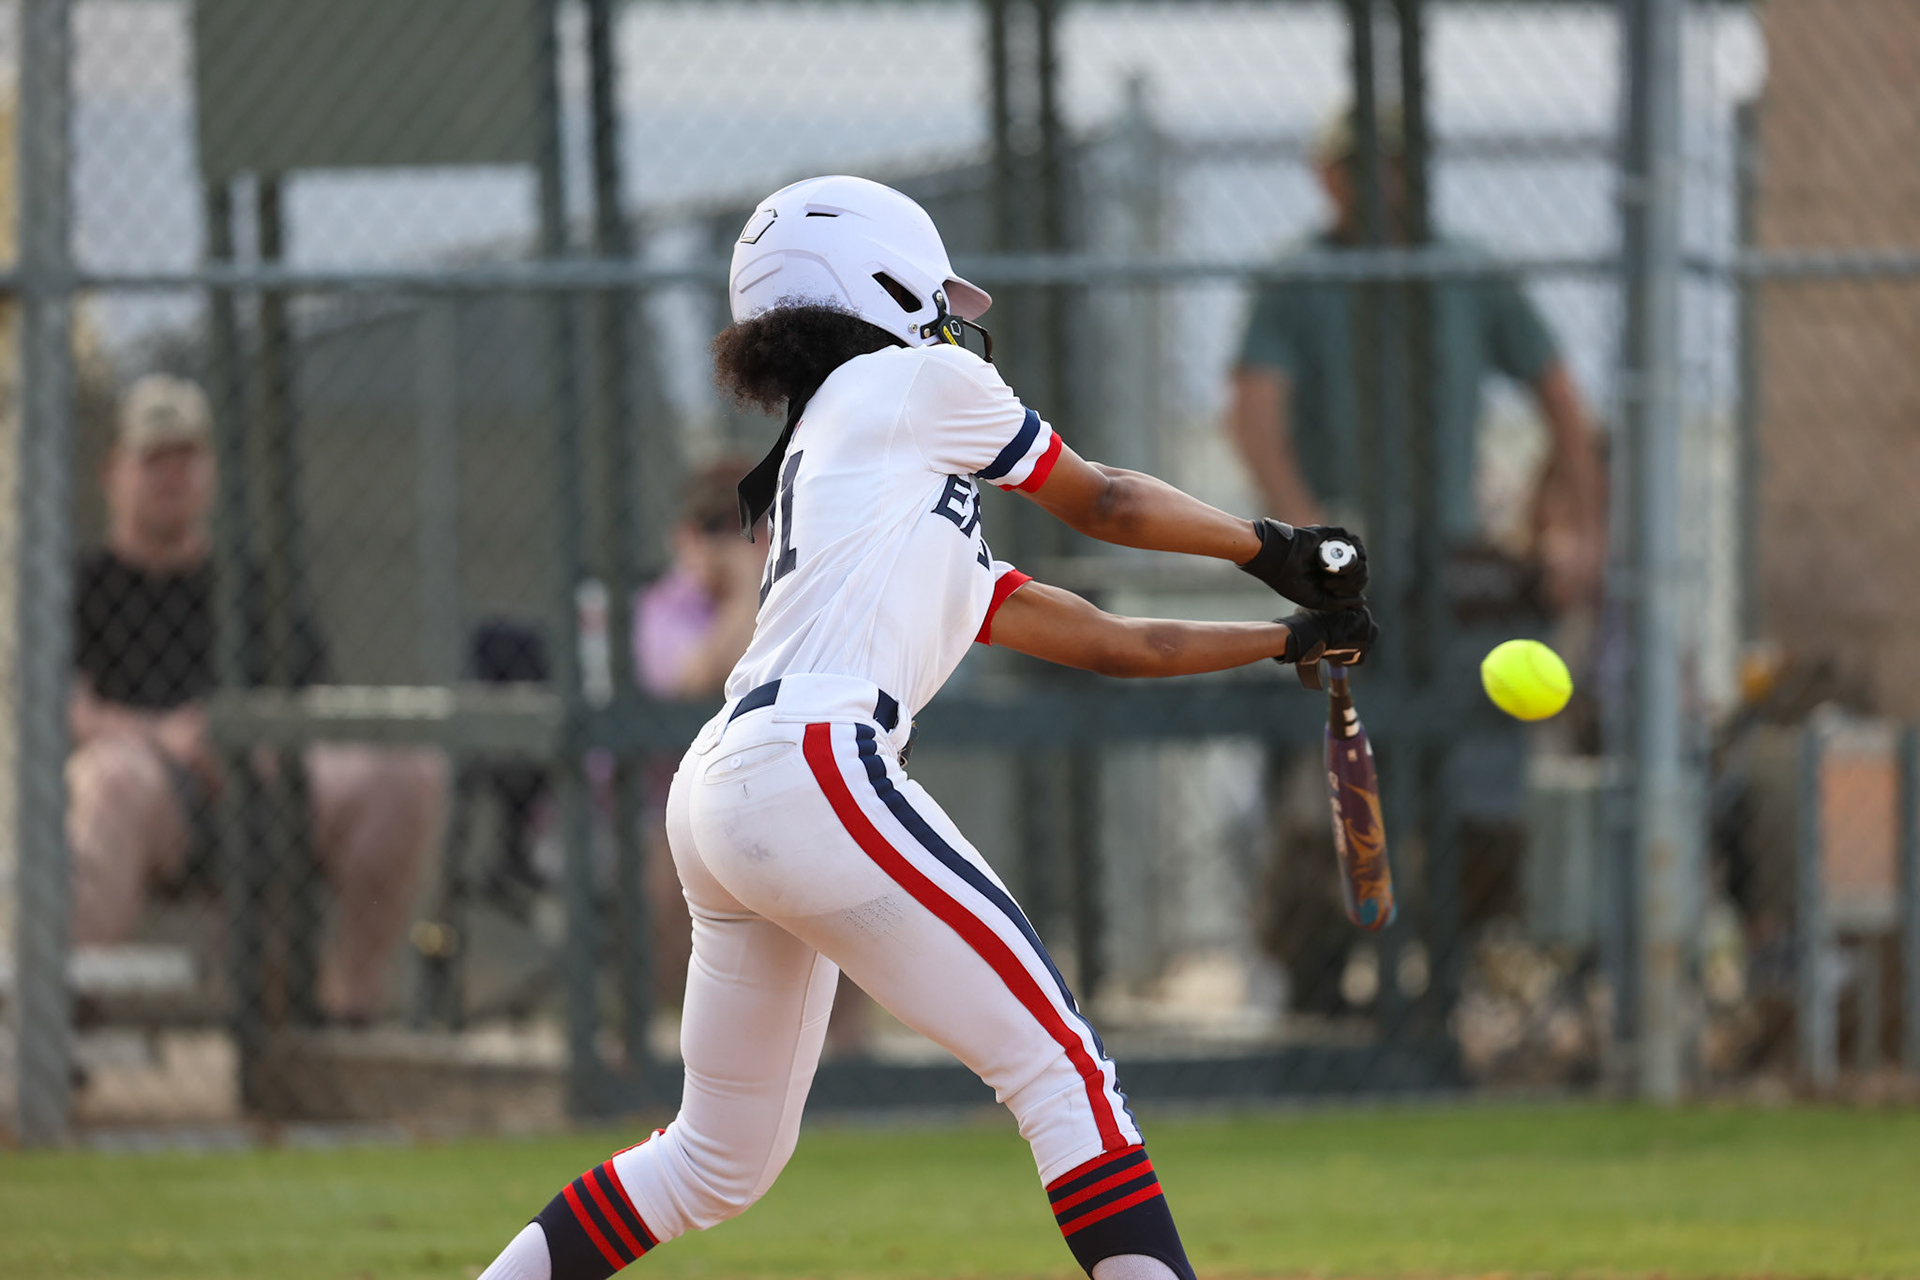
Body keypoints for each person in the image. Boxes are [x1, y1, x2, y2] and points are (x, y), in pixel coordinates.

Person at [475, 175, 1374, 1280]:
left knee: (715, 1161)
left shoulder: (872, 476)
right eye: (937, 296)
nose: (956, 323)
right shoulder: (908, 380)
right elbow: (1108, 502)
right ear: (878, 285)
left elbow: (1110, 642)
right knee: (1059, 1066)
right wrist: (1277, 546)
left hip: (723, 788)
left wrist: (1285, 639)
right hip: (812, 764)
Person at [66, 374, 447, 1023]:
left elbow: (313, 699)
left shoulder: (253, 583)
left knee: (405, 774)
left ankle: (345, 1014)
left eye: (188, 458)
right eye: (154, 459)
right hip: (148, 782)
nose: (173, 475)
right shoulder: (82, 583)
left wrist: (256, 736)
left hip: (262, 777)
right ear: (113, 473)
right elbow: (64, 711)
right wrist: (163, 737)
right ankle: (64, 1017)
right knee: (113, 781)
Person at [1226, 104, 1605, 612]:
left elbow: (1558, 395)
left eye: (1391, 163)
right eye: (1355, 165)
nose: (1375, 181)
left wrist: (1581, 530)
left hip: (1452, 543)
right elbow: (1254, 418)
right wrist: (1305, 538)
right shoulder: (1293, 280)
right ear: (1324, 173)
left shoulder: (1468, 269)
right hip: (1344, 541)